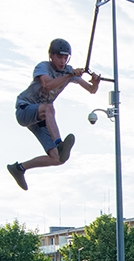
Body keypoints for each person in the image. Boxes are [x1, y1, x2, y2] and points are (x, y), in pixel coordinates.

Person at [7, 39, 101, 191]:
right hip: (25, 109)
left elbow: (91, 90)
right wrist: (69, 75)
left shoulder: (68, 71)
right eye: (59, 57)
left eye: (66, 58)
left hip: (40, 118)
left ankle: (19, 168)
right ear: (51, 56)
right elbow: (48, 85)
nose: (63, 61)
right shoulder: (42, 67)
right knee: (49, 107)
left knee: (57, 158)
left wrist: (96, 82)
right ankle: (59, 143)